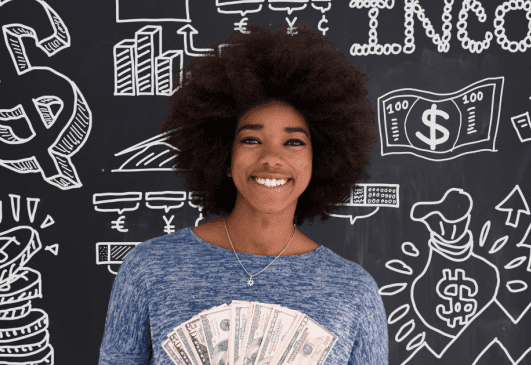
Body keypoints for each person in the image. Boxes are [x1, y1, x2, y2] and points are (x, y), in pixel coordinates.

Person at [98, 22, 388, 365]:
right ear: (222, 154)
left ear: (320, 159)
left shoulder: (354, 290)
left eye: (294, 142)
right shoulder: (148, 269)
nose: (271, 158)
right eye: (250, 139)